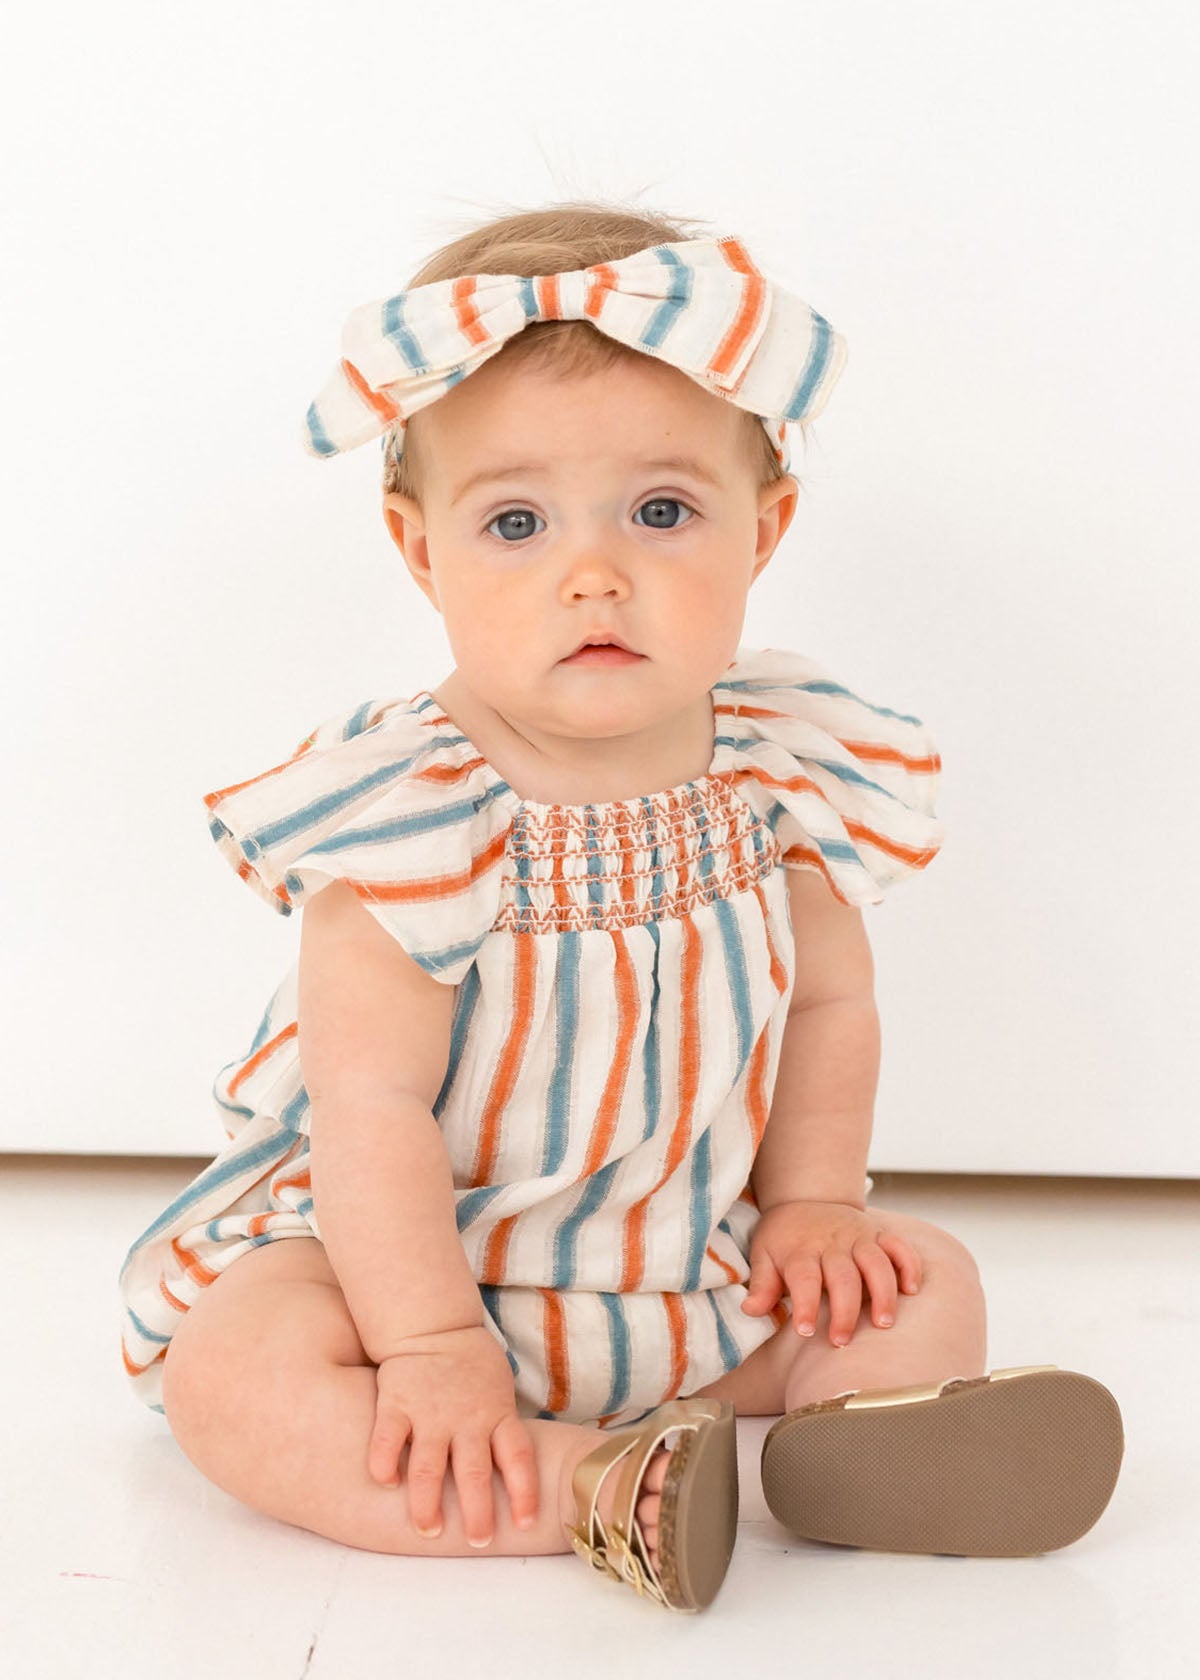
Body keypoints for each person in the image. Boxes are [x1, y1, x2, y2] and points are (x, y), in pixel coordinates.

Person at [118, 200, 1123, 1612]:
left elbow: (834, 1000)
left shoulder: (784, 779)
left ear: (763, 527)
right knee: (243, 1373)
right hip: (406, 1279)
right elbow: (367, 1114)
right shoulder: (409, 817)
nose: (596, 573)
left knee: (919, 1278)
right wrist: (425, 1346)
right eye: (517, 522)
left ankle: (836, 1457)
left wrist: (817, 1207)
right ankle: (591, 1492)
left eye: (662, 511)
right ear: (422, 553)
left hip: (680, 1268)